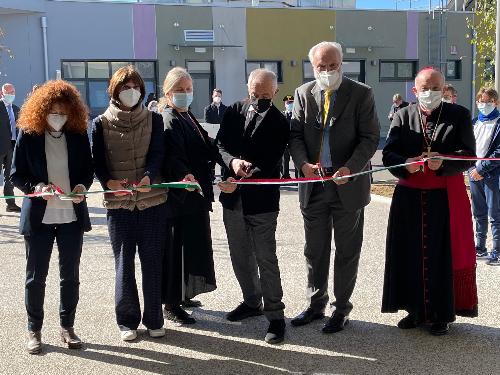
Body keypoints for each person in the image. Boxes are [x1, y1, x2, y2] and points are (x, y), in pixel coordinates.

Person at [289, 41, 380, 334]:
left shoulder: (361, 94)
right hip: (314, 185)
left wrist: (350, 168)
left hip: (347, 185)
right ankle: (316, 305)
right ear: (313, 67)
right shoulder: (304, 94)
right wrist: (303, 165)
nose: (327, 71)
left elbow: (370, 137)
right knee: (314, 251)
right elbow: (295, 137)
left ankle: (341, 309)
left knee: (346, 251)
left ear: (342, 64)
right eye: (321, 67)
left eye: (333, 66)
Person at [382, 67, 478, 336]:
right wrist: (405, 164)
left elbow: (470, 155)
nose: (430, 93)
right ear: (415, 91)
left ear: (444, 89)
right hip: (409, 197)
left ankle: (441, 314)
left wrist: (444, 162)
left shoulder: (459, 115)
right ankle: (415, 311)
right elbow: (389, 153)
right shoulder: (402, 115)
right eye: (425, 88)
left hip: (443, 196)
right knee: (409, 253)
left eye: (436, 88)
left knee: (440, 256)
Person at [11, 80, 94, 354]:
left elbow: (87, 171)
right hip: (39, 217)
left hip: (70, 215)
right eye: (53, 110)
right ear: (42, 109)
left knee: (69, 276)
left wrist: (82, 187)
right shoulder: (28, 133)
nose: (58, 116)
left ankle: (67, 326)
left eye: (64, 111)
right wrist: (36, 188)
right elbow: (16, 174)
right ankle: (34, 330)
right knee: (36, 277)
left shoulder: (78, 133)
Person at [92, 66, 167, 341]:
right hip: (119, 206)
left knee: (152, 262)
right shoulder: (100, 123)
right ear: (114, 91)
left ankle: (154, 318)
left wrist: (149, 176)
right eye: (125, 87)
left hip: (152, 203)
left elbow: (159, 152)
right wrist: (108, 183)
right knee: (124, 264)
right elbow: (97, 161)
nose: (131, 91)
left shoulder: (154, 119)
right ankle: (127, 321)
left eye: (135, 86)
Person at [217, 69, 290, 344]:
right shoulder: (234, 110)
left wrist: (247, 176)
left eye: (264, 95)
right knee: (240, 256)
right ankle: (251, 301)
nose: (258, 99)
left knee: (266, 259)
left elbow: (272, 162)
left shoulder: (280, 122)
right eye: (254, 94)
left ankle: (276, 317)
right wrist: (233, 164)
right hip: (232, 200)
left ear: (275, 93)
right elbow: (220, 145)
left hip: (262, 203)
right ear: (247, 89)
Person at [161, 67, 217, 324]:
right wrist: (184, 174)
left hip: (195, 196)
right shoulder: (169, 117)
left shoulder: (188, 116)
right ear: (168, 92)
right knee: (175, 250)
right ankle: (171, 304)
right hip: (180, 198)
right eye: (179, 90)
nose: (185, 94)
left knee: (192, 248)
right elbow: (170, 155)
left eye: (188, 89)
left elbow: (208, 146)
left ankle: (183, 294)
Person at [469, 87, 500, 266]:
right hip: (473, 173)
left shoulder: (499, 123)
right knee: (479, 213)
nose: (483, 104)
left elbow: (497, 152)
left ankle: (497, 249)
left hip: (492, 175)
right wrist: (473, 169)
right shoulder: (474, 122)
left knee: (495, 213)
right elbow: (468, 148)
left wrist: (482, 169)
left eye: (488, 101)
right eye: (481, 101)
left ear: (495, 102)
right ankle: (480, 247)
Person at [0, 83, 21, 212]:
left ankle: (11, 203)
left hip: (12, 147)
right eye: (8, 92)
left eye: (13, 92)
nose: (11, 94)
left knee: (10, 177)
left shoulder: (16, 109)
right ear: (2, 93)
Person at [281, 95, 297, 179]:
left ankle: (298, 177)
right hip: (284, 141)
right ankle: (285, 175)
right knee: (285, 159)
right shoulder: (281, 115)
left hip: (295, 141)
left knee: (296, 159)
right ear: (285, 104)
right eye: (287, 103)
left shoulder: (297, 114)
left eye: (291, 102)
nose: (289, 104)